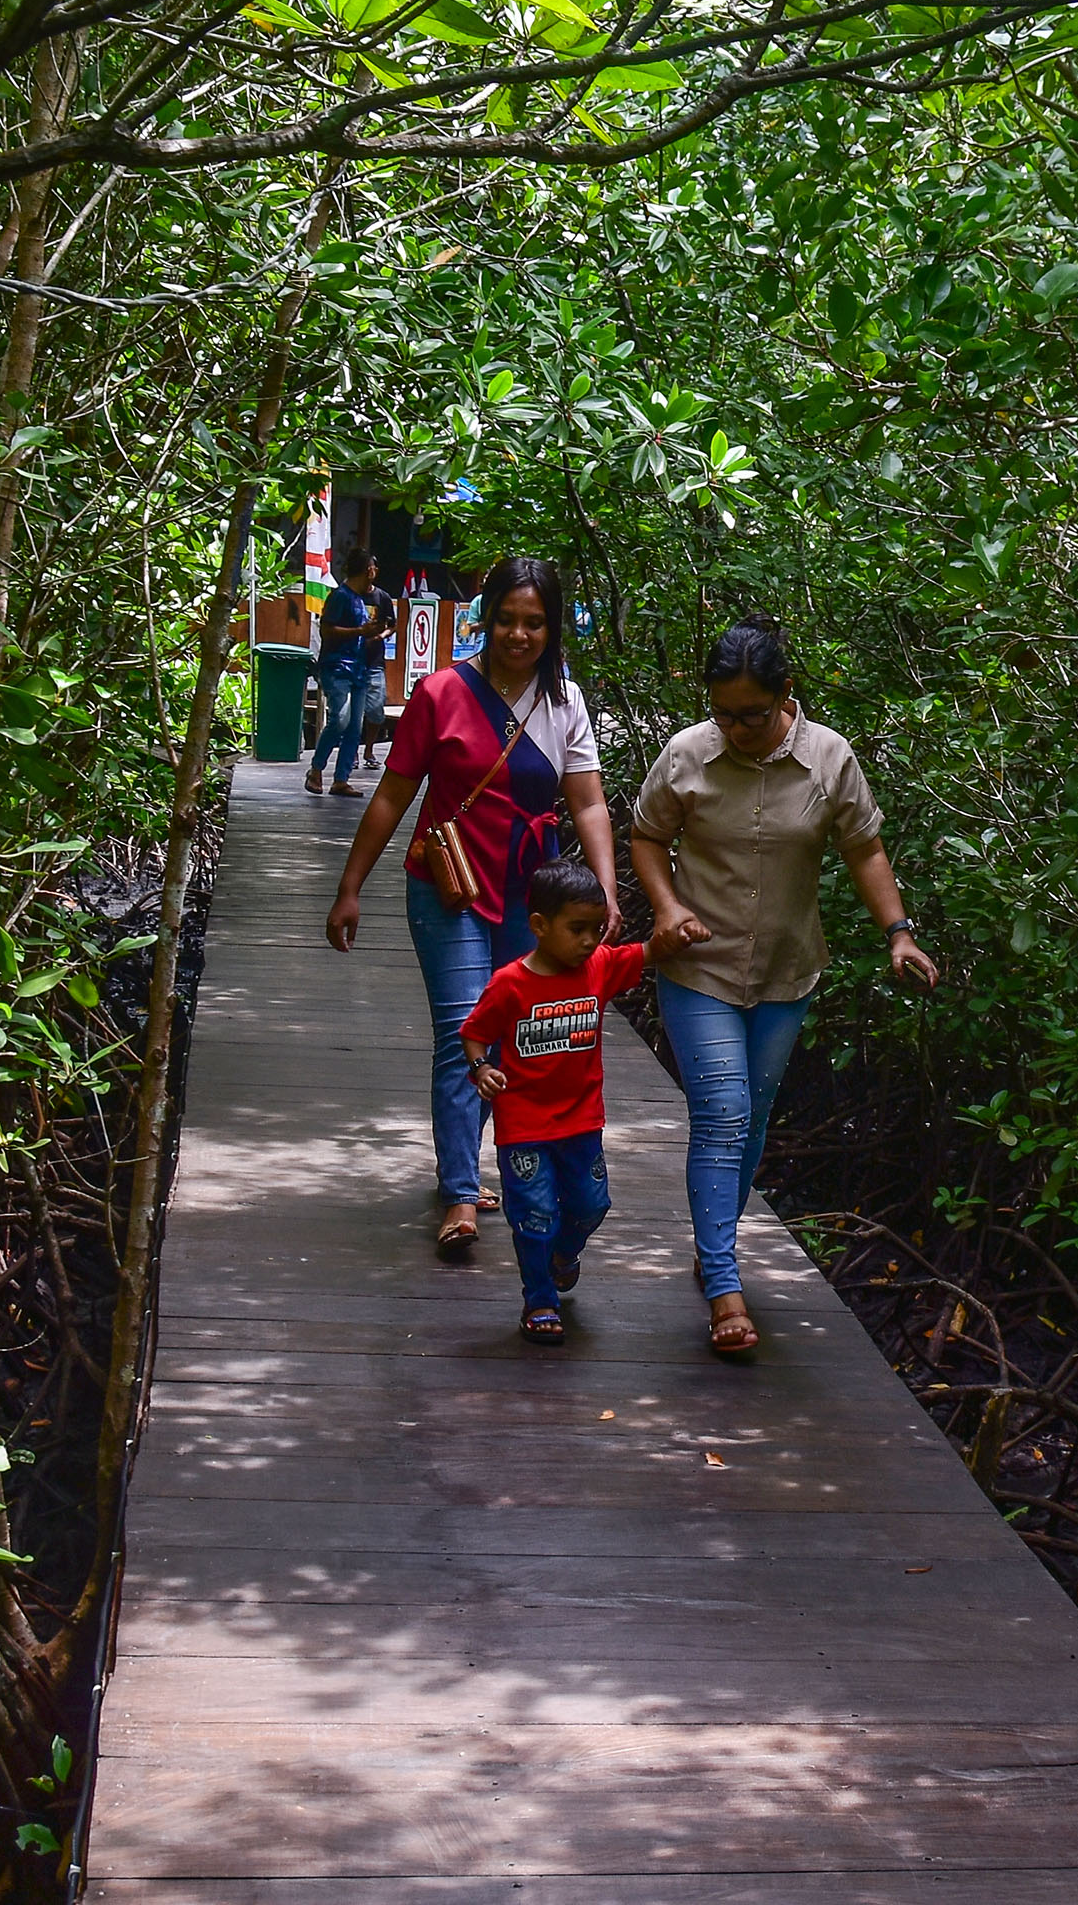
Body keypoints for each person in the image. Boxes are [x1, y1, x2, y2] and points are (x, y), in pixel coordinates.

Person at [624, 620, 936, 1358]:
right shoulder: (688, 755)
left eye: (751, 714)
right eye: (721, 712)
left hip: (786, 971)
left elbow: (864, 847)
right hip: (699, 967)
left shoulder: (829, 759)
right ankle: (724, 1284)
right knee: (724, 1109)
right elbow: (645, 836)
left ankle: (714, 1242)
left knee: (753, 1118)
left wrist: (899, 931)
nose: (733, 727)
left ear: (785, 694)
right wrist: (667, 909)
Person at [327, 556, 619, 1259]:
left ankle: (479, 1164)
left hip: (533, 893)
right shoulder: (440, 692)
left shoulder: (564, 702)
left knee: (515, 1030)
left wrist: (604, 892)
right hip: (448, 884)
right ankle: (460, 1190)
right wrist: (350, 886)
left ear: (552, 628)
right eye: (507, 619)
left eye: (534, 622)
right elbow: (394, 794)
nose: (518, 634)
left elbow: (586, 800)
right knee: (465, 1031)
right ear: (485, 617)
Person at [459, 859, 652, 1346]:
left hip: (582, 1120)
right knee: (535, 1213)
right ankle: (539, 1298)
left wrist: (682, 930)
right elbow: (475, 1034)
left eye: (596, 928)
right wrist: (481, 1068)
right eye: (578, 929)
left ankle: (566, 1254)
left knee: (592, 1204)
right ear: (540, 927)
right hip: (524, 1123)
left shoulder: (599, 967)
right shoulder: (510, 983)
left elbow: (651, 952)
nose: (590, 941)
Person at [305, 550, 383, 797]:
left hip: (359, 669)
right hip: (337, 667)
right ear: (366, 570)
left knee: (354, 727)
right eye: (373, 566)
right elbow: (327, 631)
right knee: (340, 718)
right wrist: (360, 631)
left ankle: (341, 779)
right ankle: (316, 769)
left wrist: (372, 633)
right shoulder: (340, 596)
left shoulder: (361, 599)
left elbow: (359, 632)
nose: (375, 571)